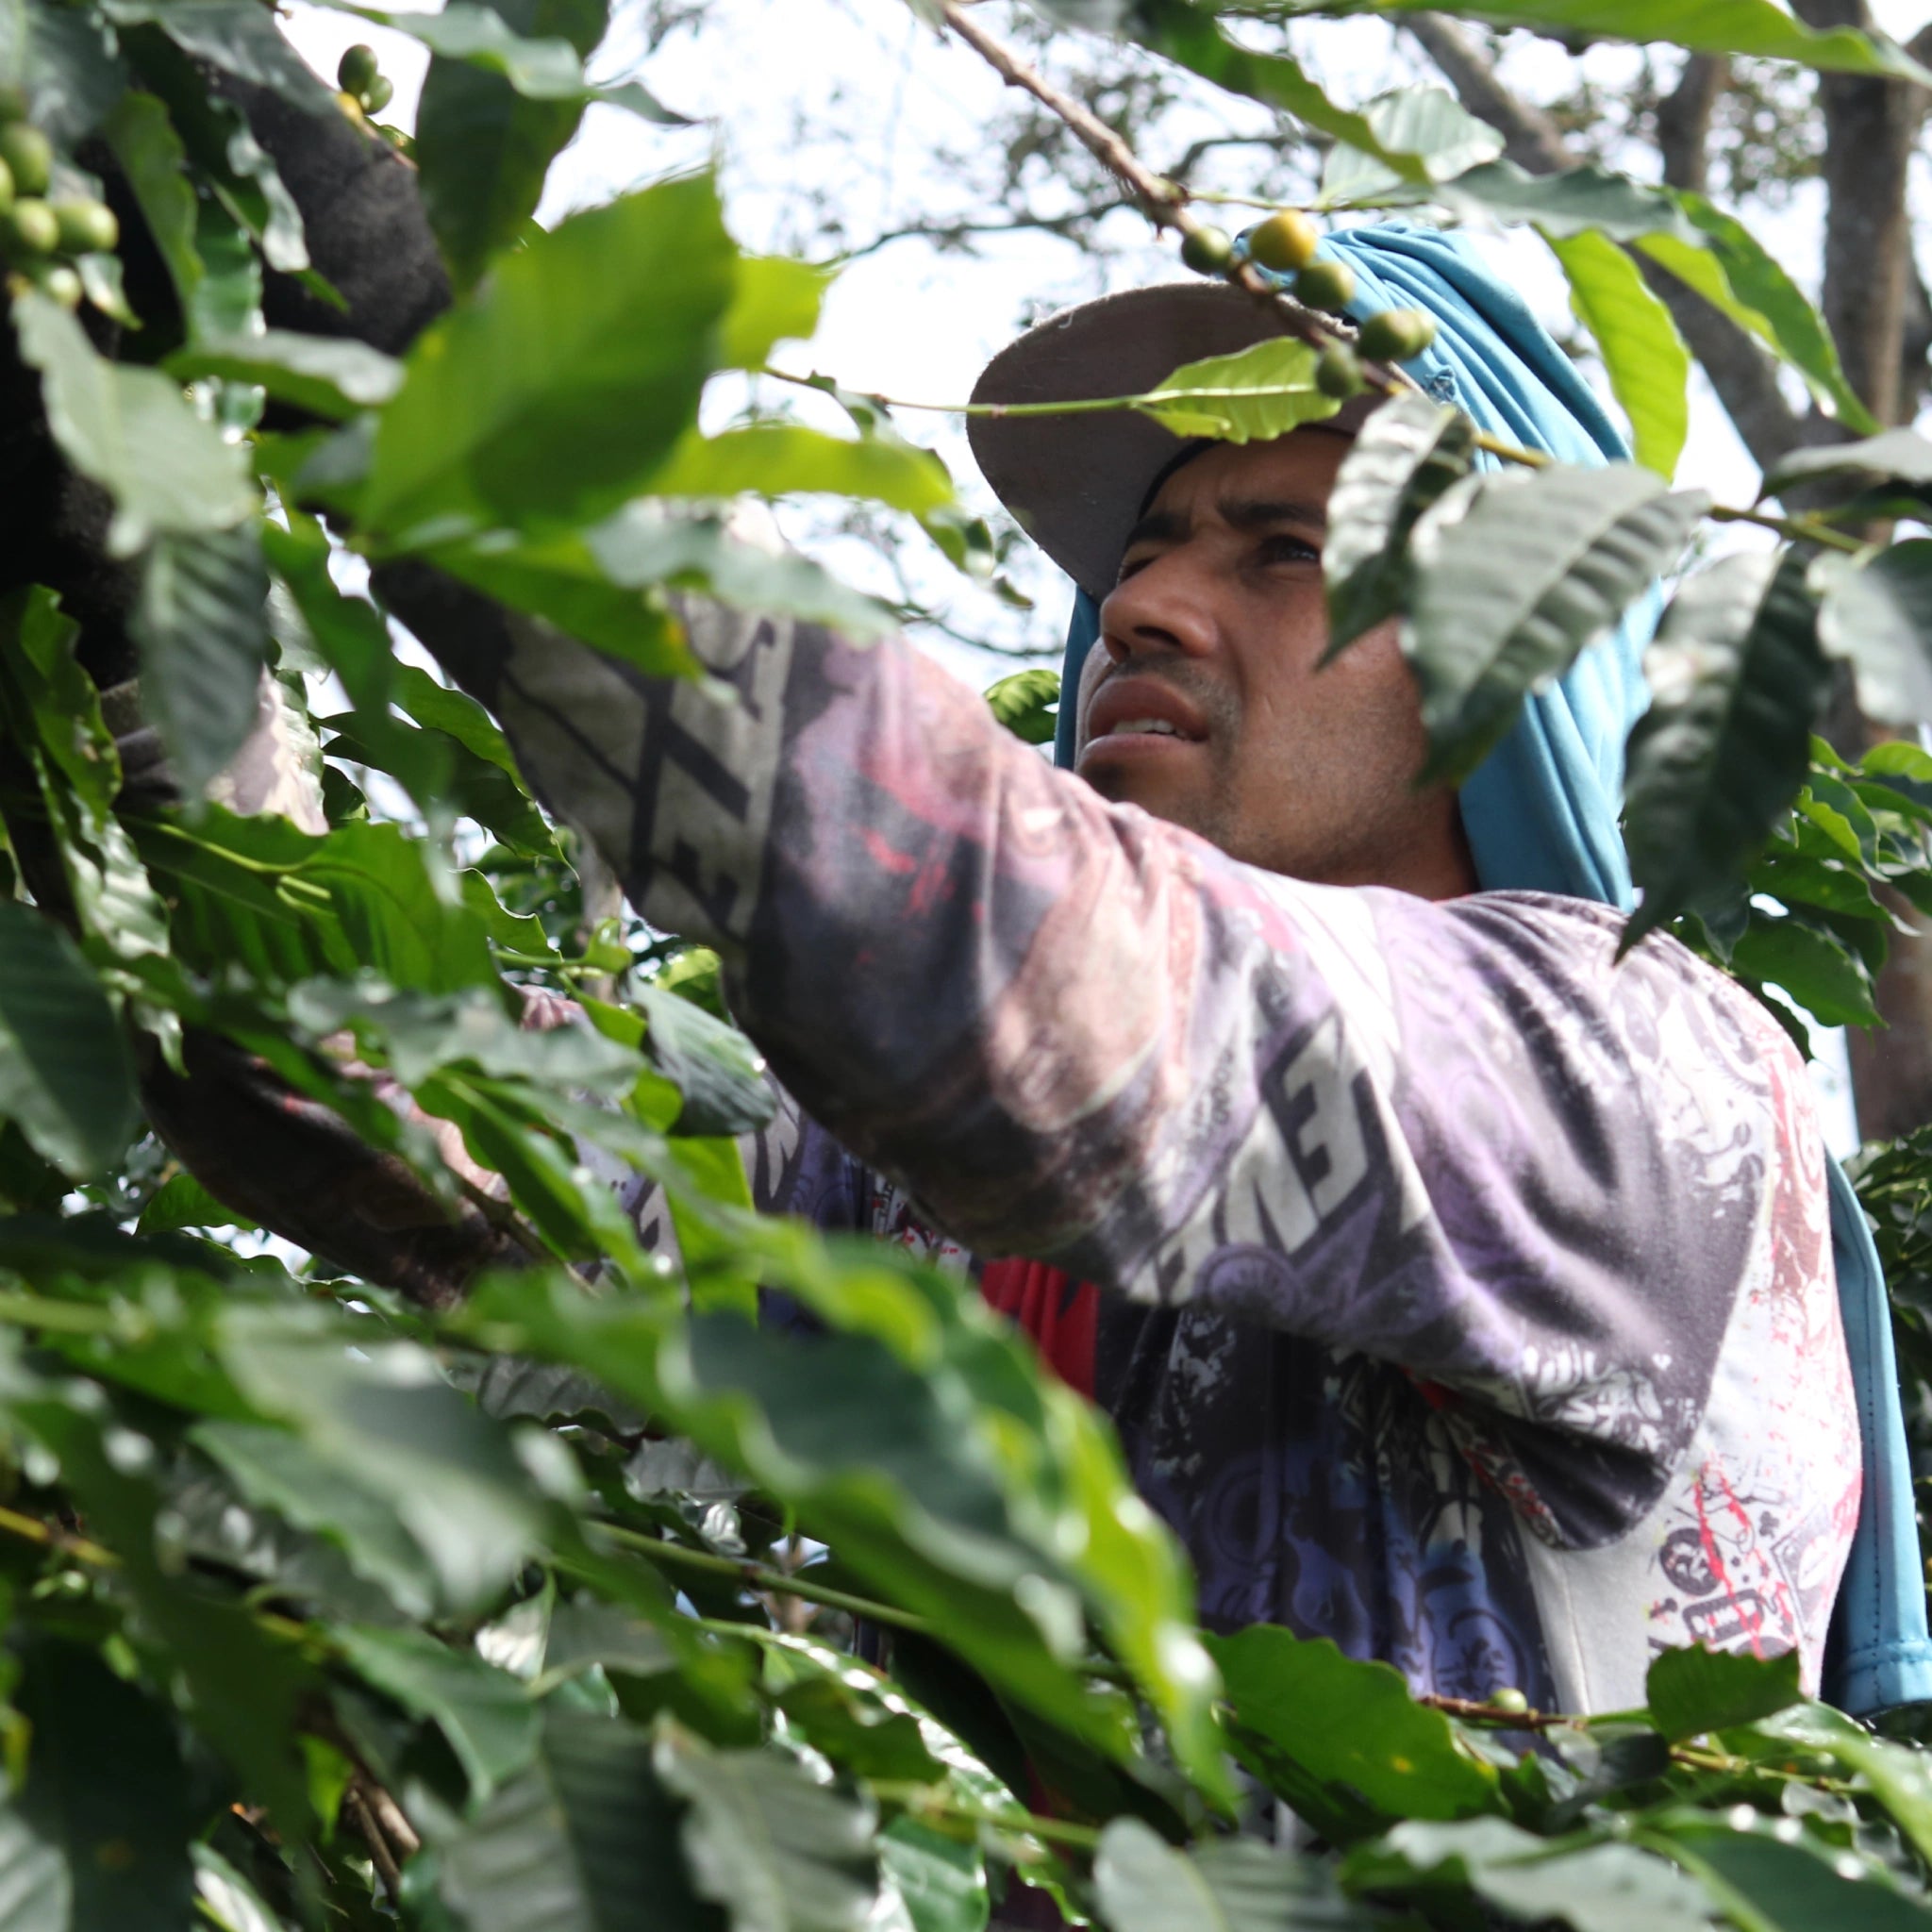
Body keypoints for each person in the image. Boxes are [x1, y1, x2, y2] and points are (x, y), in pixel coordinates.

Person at [381, 224, 1932, 1720]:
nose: (1136, 609)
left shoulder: (1634, 1066)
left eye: (1286, 554)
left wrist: (447, 370)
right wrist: (166, 712)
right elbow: (493, 1171)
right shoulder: (953, 1160)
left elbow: (997, 959)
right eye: (1143, 556)